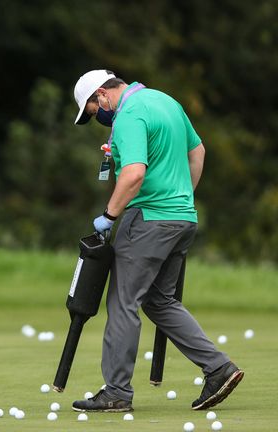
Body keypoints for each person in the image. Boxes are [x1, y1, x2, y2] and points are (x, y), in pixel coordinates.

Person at [69, 69, 243, 412]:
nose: (98, 117)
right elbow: (198, 154)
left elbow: (134, 173)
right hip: (182, 217)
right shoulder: (167, 101)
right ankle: (218, 368)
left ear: (102, 95)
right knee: (160, 301)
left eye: (93, 110)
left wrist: (110, 215)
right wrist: (181, 200)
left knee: (123, 302)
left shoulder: (130, 114)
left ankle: (117, 391)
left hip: (146, 218)